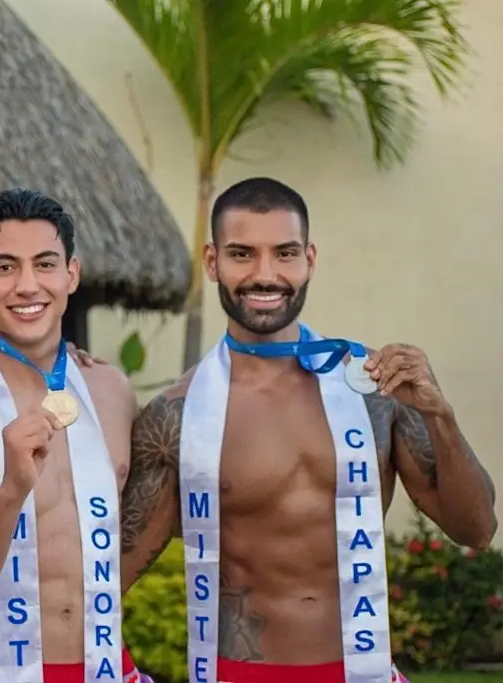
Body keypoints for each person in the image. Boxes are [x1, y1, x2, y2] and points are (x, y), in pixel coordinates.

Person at [119, 176, 498, 683]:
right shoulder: (175, 418)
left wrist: (441, 417)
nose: (265, 274)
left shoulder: (377, 389)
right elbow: (103, 585)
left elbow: (475, 529)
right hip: (238, 673)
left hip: (364, 671)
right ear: (212, 263)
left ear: (310, 259)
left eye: (284, 253)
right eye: (242, 254)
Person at [0, 188, 151, 683]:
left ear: (72, 274)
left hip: (108, 669)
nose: (27, 285)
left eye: (44, 264)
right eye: (4, 267)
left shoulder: (110, 390)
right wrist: (10, 492)